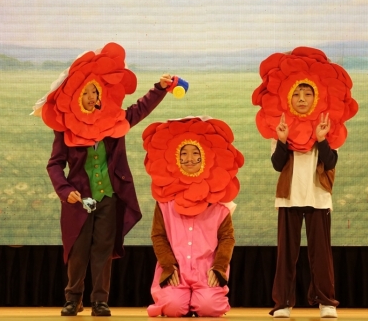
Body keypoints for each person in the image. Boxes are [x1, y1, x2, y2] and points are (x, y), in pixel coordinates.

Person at [34, 43, 172, 317]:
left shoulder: (113, 122)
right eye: (85, 92)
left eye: (94, 91)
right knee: (78, 250)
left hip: (109, 198)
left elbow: (139, 109)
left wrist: (159, 88)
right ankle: (73, 298)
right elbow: (54, 164)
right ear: (76, 96)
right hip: (78, 201)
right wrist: (65, 190)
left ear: (100, 95)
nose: (90, 96)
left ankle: (100, 300)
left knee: (103, 250)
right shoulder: (65, 128)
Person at [141, 117, 244, 317]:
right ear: (174, 158)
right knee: (172, 307)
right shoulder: (165, 201)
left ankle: (198, 301)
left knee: (209, 307)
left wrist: (219, 267)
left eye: (196, 153)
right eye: (184, 153)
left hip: (206, 271)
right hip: (175, 271)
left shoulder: (218, 201)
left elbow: (227, 238)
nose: (189, 159)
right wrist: (168, 265)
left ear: (206, 157)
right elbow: (158, 235)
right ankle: (185, 302)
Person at [270, 83, 339, 319]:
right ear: (289, 99)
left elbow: (330, 162)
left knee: (321, 254)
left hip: (318, 196)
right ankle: (283, 303)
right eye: (297, 94)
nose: (302, 98)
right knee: (286, 254)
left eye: (308, 94)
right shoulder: (282, 125)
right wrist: (282, 140)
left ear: (316, 98)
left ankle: (326, 301)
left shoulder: (328, 125)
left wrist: (321, 138)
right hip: (289, 198)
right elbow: (277, 164)